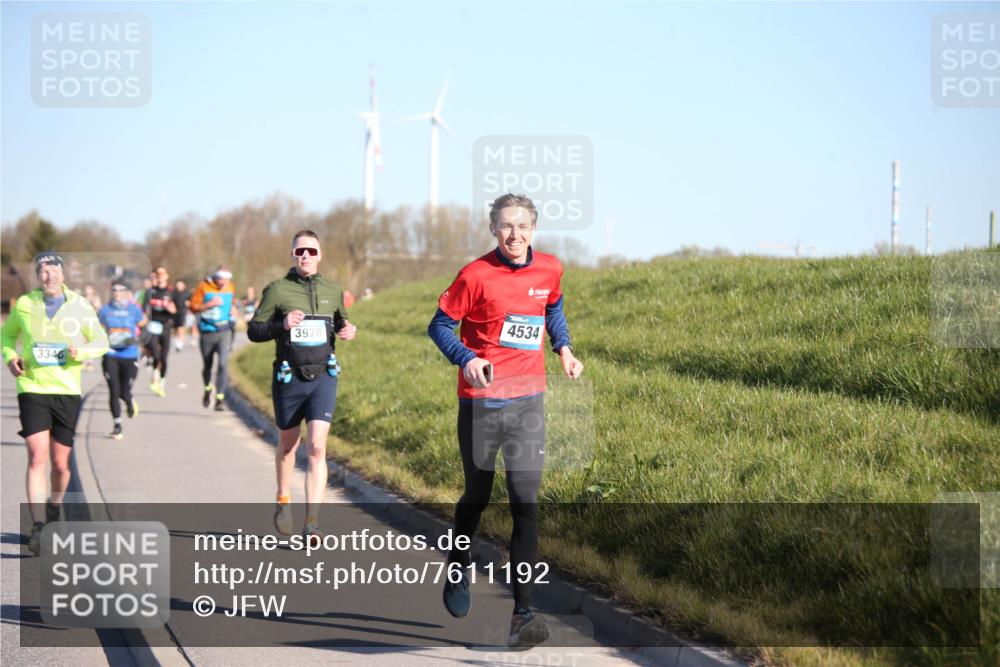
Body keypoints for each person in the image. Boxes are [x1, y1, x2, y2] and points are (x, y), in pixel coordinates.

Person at [427, 194, 584, 648]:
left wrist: (564, 349)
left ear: (534, 229)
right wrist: (467, 357)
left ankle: (523, 613)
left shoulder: (550, 269)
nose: (514, 235)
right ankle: (457, 565)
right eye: (505, 226)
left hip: (528, 400)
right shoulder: (474, 275)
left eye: (522, 226)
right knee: (476, 495)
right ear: (493, 229)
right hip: (480, 401)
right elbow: (439, 326)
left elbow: (552, 308)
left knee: (524, 502)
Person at [248, 231, 356, 541]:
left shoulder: (333, 290)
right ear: (293, 255)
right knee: (288, 446)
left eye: (311, 251)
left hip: (323, 376)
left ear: (320, 255)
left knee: (317, 446)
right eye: (300, 252)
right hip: (289, 378)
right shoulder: (277, 290)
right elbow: (254, 331)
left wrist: (348, 329)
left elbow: (340, 322)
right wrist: (281, 325)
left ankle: (312, 522)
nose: (305, 256)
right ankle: (283, 500)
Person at [1, 252, 110, 554]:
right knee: (37, 456)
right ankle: (38, 526)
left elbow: (101, 341)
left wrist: (81, 352)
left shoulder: (79, 306)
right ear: (38, 274)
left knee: (61, 464)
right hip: (32, 387)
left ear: (63, 274)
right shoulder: (25, 304)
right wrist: (11, 358)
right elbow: (6, 337)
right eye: (43, 271)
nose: (48, 275)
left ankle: (54, 505)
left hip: (66, 389)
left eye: (53, 270)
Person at [97, 282, 147, 439]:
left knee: (124, 392)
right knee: (114, 390)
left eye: (120, 290)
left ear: (126, 292)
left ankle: (129, 399)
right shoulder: (105, 310)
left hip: (130, 355)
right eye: (114, 290)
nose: (117, 293)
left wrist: (138, 339)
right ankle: (117, 424)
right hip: (111, 355)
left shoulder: (134, 309)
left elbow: (144, 324)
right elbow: (97, 328)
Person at [189, 267, 238, 410]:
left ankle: (220, 398)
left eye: (227, 279)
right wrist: (208, 304)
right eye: (222, 279)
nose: (224, 282)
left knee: (223, 364)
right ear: (216, 277)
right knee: (208, 365)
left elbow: (231, 303)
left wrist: (233, 309)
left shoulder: (230, 287)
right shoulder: (203, 286)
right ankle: (207, 388)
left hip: (224, 331)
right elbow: (193, 306)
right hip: (207, 332)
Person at [142, 267, 177, 396]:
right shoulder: (150, 292)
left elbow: (176, 311)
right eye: (158, 274)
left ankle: (161, 382)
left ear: (167, 276)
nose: (160, 276)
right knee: (156, 355)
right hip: (153, 325)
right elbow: (144, 310)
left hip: (166, 326)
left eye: (163, 274)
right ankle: (155, 375)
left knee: (164, 357)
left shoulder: (171, 292)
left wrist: (171, 309)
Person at [172, 279, 189, 351]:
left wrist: (188, 304)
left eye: (180, 284)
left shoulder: (187, 293)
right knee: (175, 328)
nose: (178, 286)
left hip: (182, 312)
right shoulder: (174, 293)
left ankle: (180, 343)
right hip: (174, 312)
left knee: (180, 327)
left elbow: (190, 302)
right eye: (177, 284)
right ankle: (177, 340)